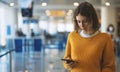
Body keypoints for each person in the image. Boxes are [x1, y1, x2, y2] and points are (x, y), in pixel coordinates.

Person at [62, 1, 116, 72]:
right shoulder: (72, 36)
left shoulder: (105, 38)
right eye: (79, 21)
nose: (81, 25)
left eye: (85, 21)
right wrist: (68, 63)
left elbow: (109, 66)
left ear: (92, 20)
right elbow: (66, 59)